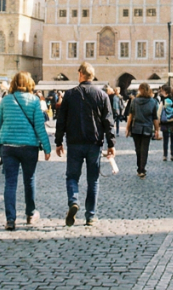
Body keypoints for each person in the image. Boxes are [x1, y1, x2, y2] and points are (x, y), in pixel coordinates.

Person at [55, 62, 116, 227]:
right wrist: (111, 143)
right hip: (94, 143)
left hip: (74, 142)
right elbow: (108, 121)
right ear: (92, 76)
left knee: (72, 176)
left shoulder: (69, 95)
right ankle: (91, 215)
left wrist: (58, 141)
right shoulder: (102, 95)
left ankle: (73, 200)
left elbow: (61, 120)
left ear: (80, 74)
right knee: (93, 180)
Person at [0, 72, 51, 231]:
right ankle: (30, 213)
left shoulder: (5, 100)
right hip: (29, 146)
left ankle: (10, 219)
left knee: (10, 183)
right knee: (29, 180)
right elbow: (40, 127)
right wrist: (47, 148)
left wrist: (0, 140)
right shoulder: (34, 101)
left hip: (8, 146)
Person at [126, 82, 160, 178]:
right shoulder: (153, 102)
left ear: (139, 90)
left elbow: (131, 116)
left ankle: (139, 168)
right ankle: (142, 169)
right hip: (147, 128)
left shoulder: (134, 101)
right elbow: (155, 118)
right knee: (144, 149)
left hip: (136, 128)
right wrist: (157, 130)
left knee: (138, 149)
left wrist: (127, 128)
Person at [159, 86, 173, 162]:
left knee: (165, 139)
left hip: (165, 122)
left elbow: (159, 112)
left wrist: (158, 121)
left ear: (164, 92)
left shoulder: (163, 101)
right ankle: (172, 155)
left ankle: (165, 155)